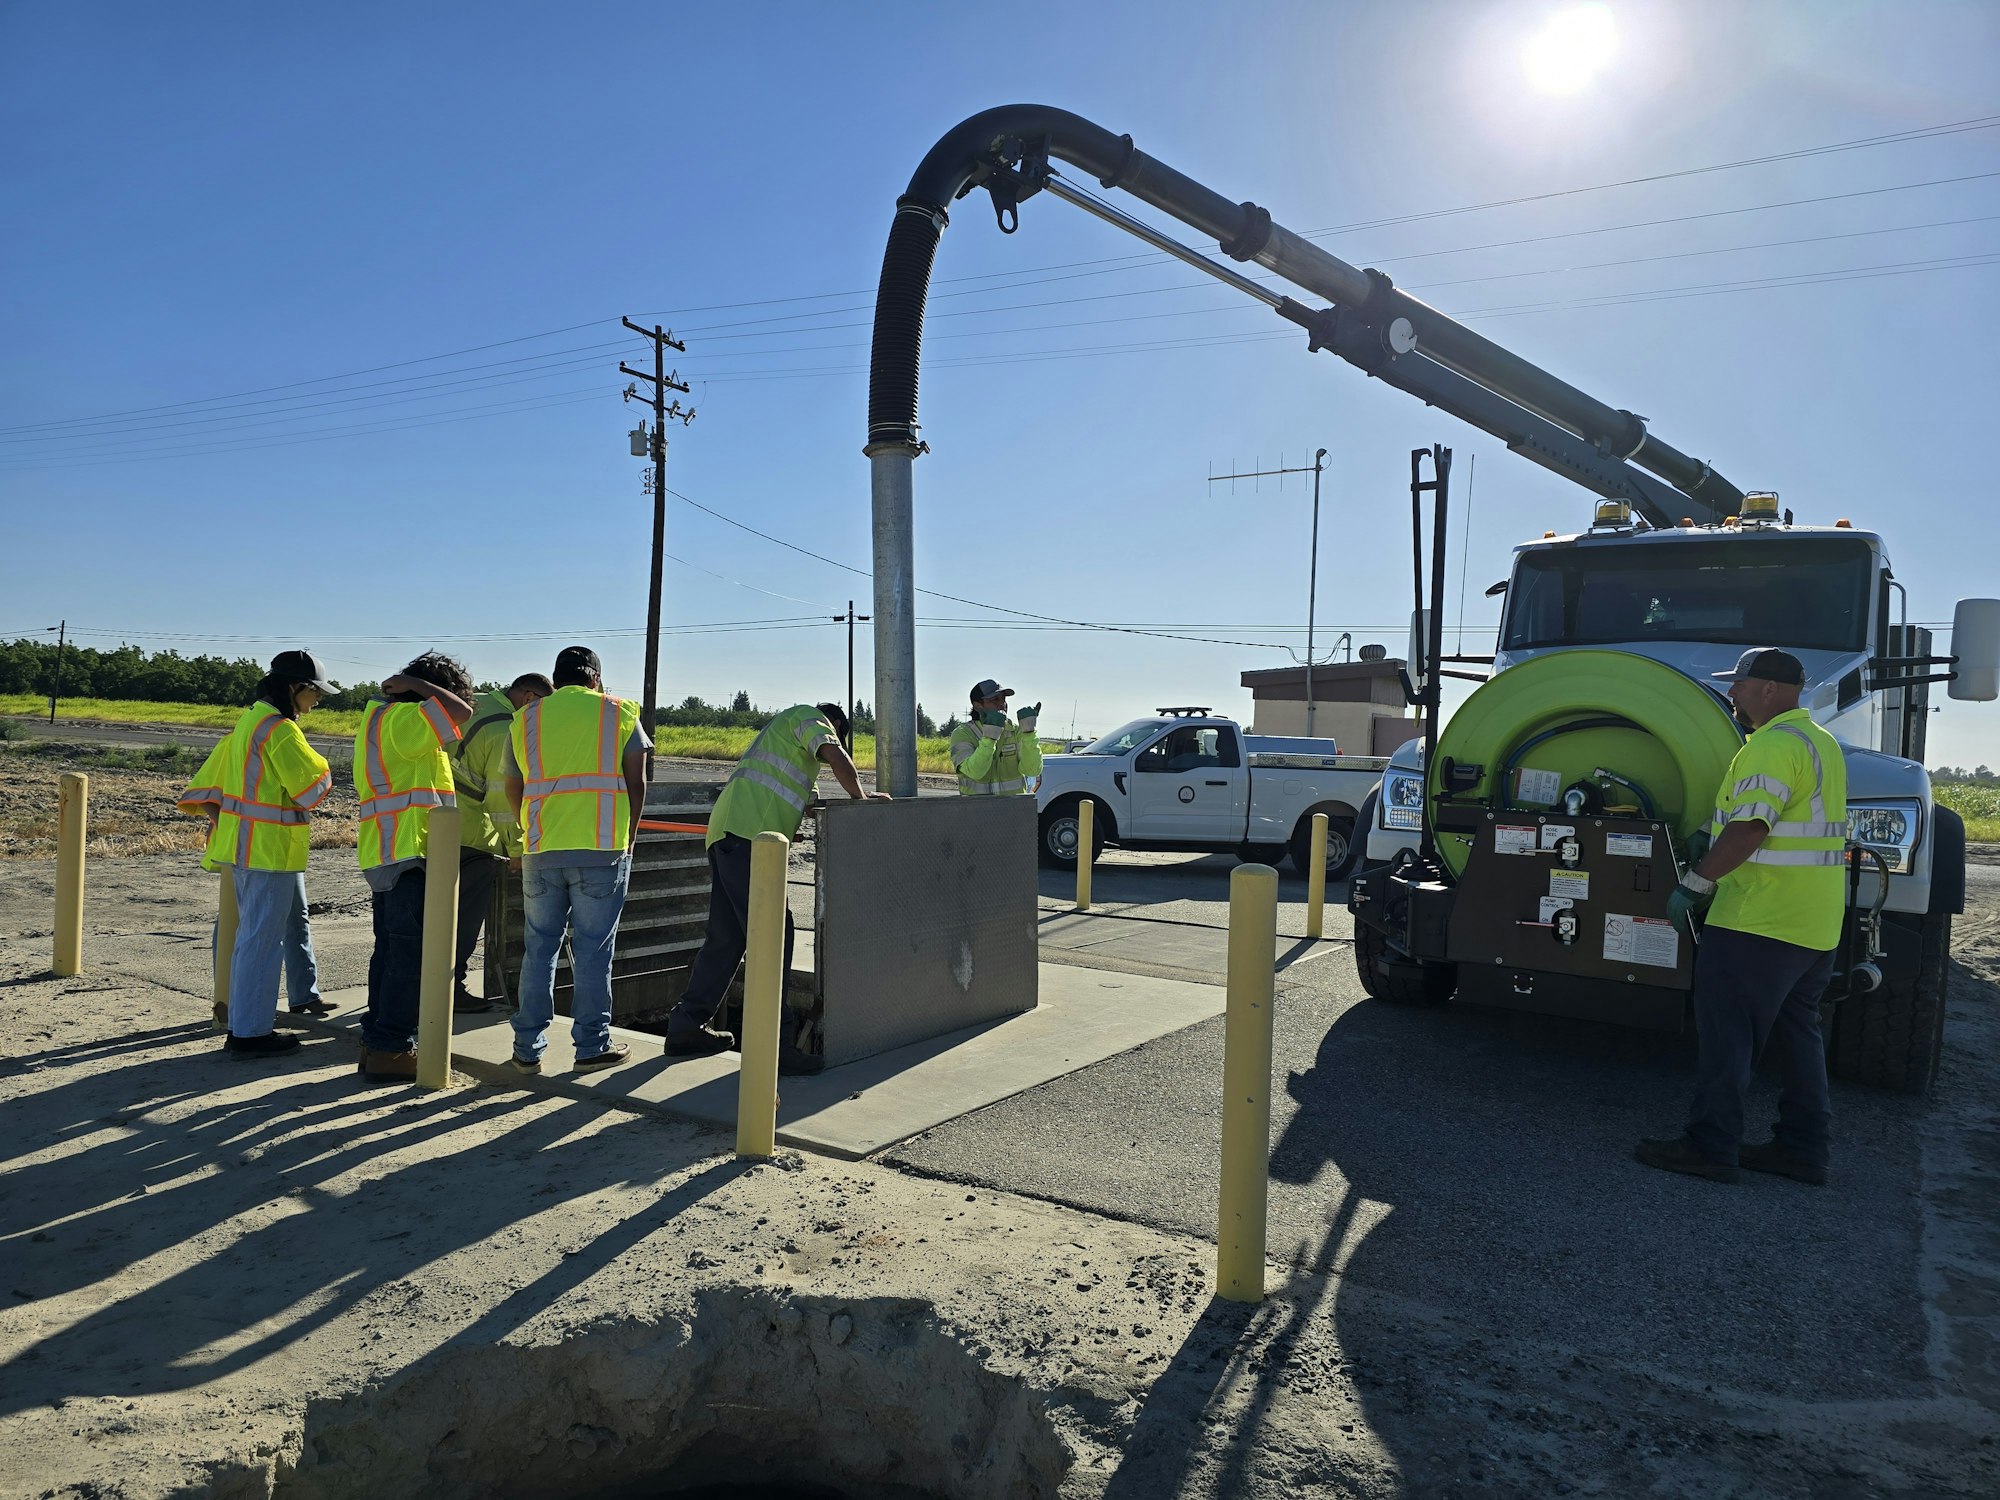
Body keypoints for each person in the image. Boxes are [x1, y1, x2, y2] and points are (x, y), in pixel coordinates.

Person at [1637, 648, 1848, 1186]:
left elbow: (1751, 828)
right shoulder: (1820, 743)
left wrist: (1696, 882)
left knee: (1728, 1035)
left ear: (1770, 690)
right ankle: (1803, 1149)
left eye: (1741, 684)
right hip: (1813, 924)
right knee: (1800, 1036)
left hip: (1758, 920)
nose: (1732, 693)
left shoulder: (1771, 746)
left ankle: (1711, 1146)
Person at [664, 701, 888, 1069]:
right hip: (752, 838)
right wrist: (862, 800)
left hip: (726, 833)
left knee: (727, 939)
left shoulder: (784, 747)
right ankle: (776, 1047)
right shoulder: (808, 716)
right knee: (774, 937)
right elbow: (835, 755)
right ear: (832, 723)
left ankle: (686, 1026)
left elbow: (804, 802)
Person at [177, 651, 339, 1058]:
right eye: (314, 692)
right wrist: (324, 766)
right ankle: (251, 1034)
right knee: (262, 943)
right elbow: (312, 788)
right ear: (294, 688)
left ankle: (244, 1026)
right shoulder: (280, 729)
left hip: (244, 846)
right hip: (269, 850)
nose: (317, 700)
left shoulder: (250, 720)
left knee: (251, 939)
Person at [502, 646, 649, 1075]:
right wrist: (630, 836)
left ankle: (527, 1050)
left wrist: (530, 827)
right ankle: (590, 1046)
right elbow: (636, 781)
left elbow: (514, 785)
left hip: (541, 848)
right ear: (596, 680)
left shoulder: (526, 718)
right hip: (602, 849)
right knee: (592, 952)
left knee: (538, 949)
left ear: (556, 678)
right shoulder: (618, 712)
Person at [354, 654, 474, 1082]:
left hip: (389, 852)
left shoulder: (384, 723)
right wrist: (413, 683)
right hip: (409, 854)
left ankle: (377, 1042)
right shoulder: (404, 722)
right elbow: (461, 712)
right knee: (409, 959)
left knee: (389, 954)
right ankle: (391, 1047)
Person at [448, 671, 553, 1013]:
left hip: (436, 826)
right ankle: (452, 989)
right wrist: (518, 851)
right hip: (470, 836)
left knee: (430, 920)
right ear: (528, 698)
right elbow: (501, 801)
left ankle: (430, 989)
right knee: (461, 921)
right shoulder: (503, 728)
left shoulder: (475, 705)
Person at [947, 678, 1043, 796]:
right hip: (975, 810)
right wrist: (989, 738)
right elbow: (975, 772)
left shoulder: (1015, 730)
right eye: (994, 700)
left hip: (1013, 809)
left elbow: (1032, 770)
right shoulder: (963, 733)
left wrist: (1029, 733)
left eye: (1003, 698)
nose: (1002, 704)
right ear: (977, 706)